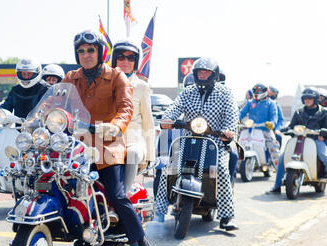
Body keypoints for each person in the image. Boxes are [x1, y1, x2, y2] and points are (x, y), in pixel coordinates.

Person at [61, 30, 156, 246]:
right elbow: (53, 103)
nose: (86, 55)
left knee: (116, 194)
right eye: (81, 51)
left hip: (107, 144)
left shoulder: (117, 77)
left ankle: (143, 243)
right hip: (76, 145)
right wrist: (40, 121)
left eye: (90, 50)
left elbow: (125, 109)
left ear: (101, 52)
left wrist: (114, 127)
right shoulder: (71, 78)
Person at [157, 57, 239, 231]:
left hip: (215, 141)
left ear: (214, 75)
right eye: (199, 72)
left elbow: (232, 116)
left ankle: (226, 217)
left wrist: (229, 131)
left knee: (222, 170)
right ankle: (160, 210)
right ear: (194, 74)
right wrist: (167, 118)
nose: (202, 75)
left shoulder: (225, 93)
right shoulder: (188, 92)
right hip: (188, 140)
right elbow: (175, 107)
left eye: (206, 72)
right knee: (168, 167)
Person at [111, 39, 155, 194]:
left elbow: (148, 122)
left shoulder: (141, 87)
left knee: (132, 154)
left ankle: (123, 198)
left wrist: (150, 155)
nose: (125, 61)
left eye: (130, 58)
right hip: (106, 139)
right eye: (121, 57)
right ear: (114, 59)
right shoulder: (103, 83)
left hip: (133, 141)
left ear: (136, 62)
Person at [266, 88, 327, 194]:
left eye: (310, 98)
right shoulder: (299, 112)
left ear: (315, 99)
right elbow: (291, 126)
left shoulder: (324, 112)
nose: (307, 100)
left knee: (323, 154)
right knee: (282, 158)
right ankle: (276, 186)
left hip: (316, 140)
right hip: (299, 140)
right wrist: (285, 129)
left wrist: (323, 132)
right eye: (305, 98)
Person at [239, 83, 280, 168]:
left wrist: (272, 123)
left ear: (265, 91)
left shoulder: (271, 103)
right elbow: (241, 113)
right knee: (239, 144)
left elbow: (274, 116)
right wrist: (235, 119)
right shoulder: (250, 103)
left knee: (273, 146)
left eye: (259, 91)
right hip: (250, 129)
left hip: (265, 129)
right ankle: (236, 165)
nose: (257, 92)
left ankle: (278, 168)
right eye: (255, 91)